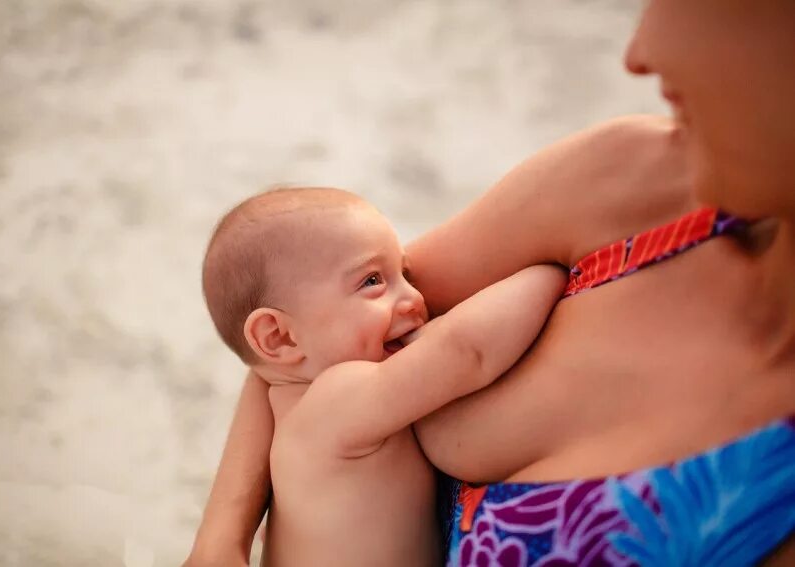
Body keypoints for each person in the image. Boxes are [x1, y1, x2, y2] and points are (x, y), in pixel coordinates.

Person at [186, 0, 795, 563]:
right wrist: (220, 539)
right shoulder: (631, 183)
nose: (638, 50)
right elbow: (300, 319)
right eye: (379, 278)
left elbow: (300, 338)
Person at [200, 187, 565, 566]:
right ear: (280, 337)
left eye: (404, 274)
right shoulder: (332, 401)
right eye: (372, 281)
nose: (415, 298)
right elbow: (466, 352)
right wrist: (555, 270)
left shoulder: (292, 409)